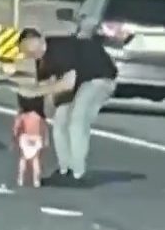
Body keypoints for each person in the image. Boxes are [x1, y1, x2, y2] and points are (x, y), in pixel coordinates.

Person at [16, 27, 117, 187]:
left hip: (98, 78)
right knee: (60, 122)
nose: (31, 53)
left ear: (40, 39)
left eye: (31, 48)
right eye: (27, 52)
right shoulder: (41, 60)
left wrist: (34, 92)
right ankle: (65, 169)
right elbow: (46, 85)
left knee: (77, 119)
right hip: (77, 84)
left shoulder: (59, 49)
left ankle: (78, 173)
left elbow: (67, 84)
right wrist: (30, 109)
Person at [12, 94, 49, 188]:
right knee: (36, 160)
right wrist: (45, 140)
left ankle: (20, 178)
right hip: (36, 138)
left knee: (23, 158)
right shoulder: (39, 117)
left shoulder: (23, 116)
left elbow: (16, 128)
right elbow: (44, 129)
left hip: (25, 138)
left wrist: (15, 138)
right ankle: (36, 180)